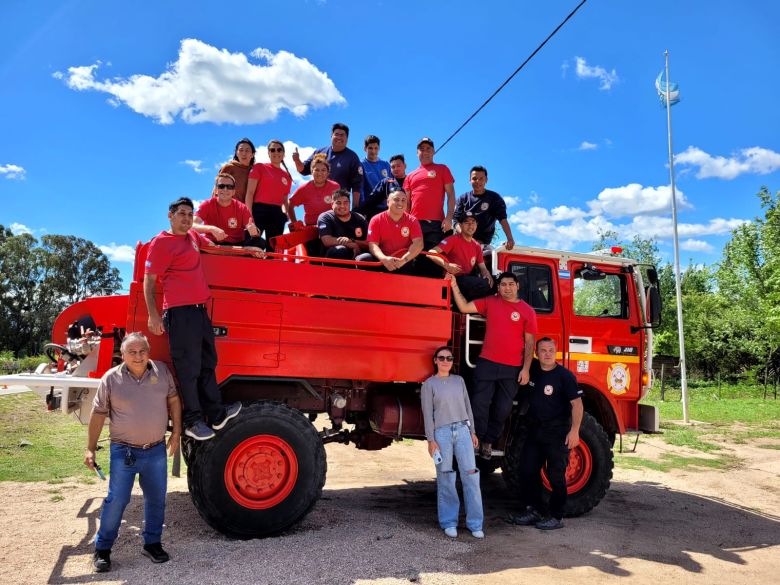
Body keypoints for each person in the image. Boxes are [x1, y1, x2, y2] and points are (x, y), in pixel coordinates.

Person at [143, 197, 242, 441]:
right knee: (189, 369)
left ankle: (216, 414)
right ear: (170, 215)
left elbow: (217, 247)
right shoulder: (161, 243)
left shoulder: (192, 238)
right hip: (179, 311)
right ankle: (192, 421)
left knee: (208, 362)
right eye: (181, 214)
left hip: (199, 310)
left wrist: (249, 250)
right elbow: (150, 280)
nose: (186, 218)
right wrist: (153, 315)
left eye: (190, 214)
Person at [84, 332, 182, 573]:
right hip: (123, 453)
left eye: (142, 351)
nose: (138, 356)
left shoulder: (161, 372)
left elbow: (174, 401)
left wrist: (176, 432)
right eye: (132, 352)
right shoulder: (111, 379)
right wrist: (90, 448)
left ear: (148, 352)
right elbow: (97, 415)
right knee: (117, 500)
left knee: (157, 499)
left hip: (155, 451)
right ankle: (103, 549)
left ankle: (152, 544)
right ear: (123, 355)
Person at [448, 271, 537, 459]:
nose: (507, 288)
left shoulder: (527, 311)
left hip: (512, 368)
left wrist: (526, 369)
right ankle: (477, 440)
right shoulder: (490, 302)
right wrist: (454, 284)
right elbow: (463, 307)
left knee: (503, 408)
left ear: (517, 286)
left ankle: (489, 441)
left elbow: (530, 343)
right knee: (479, 404)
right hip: (487, 363)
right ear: (498, 287)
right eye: (503, 284)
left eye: (511, 284)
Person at [509, 337, 583, 530]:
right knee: (527, 470)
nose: (547, 354)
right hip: (534, 430)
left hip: (557, 432)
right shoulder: (532, 371)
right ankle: (534, 510)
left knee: (555, 475)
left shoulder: (565, 376)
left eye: (551, 350)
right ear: (536, 353)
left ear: (556, 351)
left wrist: (575, 431)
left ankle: (556, 516)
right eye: (543, 350)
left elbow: (577, 404)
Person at [421, 346, 484, 539]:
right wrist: (431, 440)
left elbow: (468, 407)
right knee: (446, 477)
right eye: (441, 358)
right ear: (435, 360)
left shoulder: (459, 381)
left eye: (449, 358)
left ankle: (475, 523)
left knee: (471, 476)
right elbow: (427, 415)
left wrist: (472, 431)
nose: (445, 361)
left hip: (463, 431)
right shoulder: (429, 384)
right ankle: (449, 522)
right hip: (442, 433)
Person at [454, 165, 515, 270]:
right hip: (462, 242)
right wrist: (466, 237)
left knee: (492, 264)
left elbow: (503, 219)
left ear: (486, 180)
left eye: (481, 178)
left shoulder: (494, 198)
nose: (477, 181)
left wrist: (510, 239)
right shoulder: (463, 198)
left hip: (483, 244)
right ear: (470, 180)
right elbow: (455, 220)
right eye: (474, 178)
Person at [293, 122, 363, 208]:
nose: (339, 137)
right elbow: (303, 170)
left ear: (347, 138)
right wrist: (297, 160)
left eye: (342, 135)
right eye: (336, 134)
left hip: (340, 206)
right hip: (317, 205)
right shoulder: (319, 152)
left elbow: (357, 185)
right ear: (331, 136)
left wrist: (355, 208)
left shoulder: (352, 157)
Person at [403, 137, 455, 250]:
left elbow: (451, 195)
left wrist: (449, 217)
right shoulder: (410, 176)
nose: (425, 151)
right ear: (417, 153)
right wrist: (405, 222)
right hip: (414, 223)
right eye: (422, 149)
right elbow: (407, 203)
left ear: (433, 151)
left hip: (436, 224)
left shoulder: (443, 169)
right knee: (414, 259)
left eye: (428, 148)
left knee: (432, 259)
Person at [355, 190, 423, 275]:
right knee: (363, 259)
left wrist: (403, 260)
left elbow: (419, 244)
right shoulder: (376, 219)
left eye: (403, 200)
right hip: (382, 260)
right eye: (396, 199)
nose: (400, 203)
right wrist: (384, 259)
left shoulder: (412, 220)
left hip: (403, 262)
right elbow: (373, 245)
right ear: (388, 202)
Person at [193, 173, 267, 250]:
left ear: (233, 192)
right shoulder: (207, 204)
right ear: (216, 190)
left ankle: (229, 250)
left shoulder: (242, 208)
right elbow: (191, 225)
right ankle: (243, 251)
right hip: (212, 243)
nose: (225, 189)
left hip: (236, 244)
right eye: (221, 186)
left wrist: (254, 232)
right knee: (191, 237)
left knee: (260, 242)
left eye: (229, 187)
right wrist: (211, 229)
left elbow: (254, 232)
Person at [428, 214, 493, 301]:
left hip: (465, 281)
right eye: (467, 222)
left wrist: (488, 276)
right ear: (460, 225)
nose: (470, 226)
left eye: (473, 222)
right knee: (482, 284)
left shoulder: (477, 246)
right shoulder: (453, 239)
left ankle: (462, 306)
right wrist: (447, 265)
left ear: (477, 225)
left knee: (494, 285)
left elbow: (483, 268)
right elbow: (430, 253)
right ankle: (459, 304)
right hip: (451, 280)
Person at [245, 139, 293, 243]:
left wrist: (285, 214)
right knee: (252, 243)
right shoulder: (259, 167)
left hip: (277, 213)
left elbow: (285, 200)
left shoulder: (287, 176)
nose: (276, 152)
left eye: (279, 150)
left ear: (283, 154)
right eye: (272, 150)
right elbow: (250, 192)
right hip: (258, 210)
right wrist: (248, 215)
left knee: (273, 249)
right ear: (268, 153)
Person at [288, 154, 341, 227]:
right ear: (311, 172)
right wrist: (294, 223)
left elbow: (340, 206)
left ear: (328, 173)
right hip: (311, 227)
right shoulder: (304, 189)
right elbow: (290, 205)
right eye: (316, 170)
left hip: (331, 225)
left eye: (323, 170)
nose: (320, 173)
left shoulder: (335, 187)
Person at [318, 189, 369, 260]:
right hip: (332, 258)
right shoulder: (325, 217)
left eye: (345, 203)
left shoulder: (360, 218)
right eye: (338, 203)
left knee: (366, 257)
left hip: (357, 256)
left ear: (349, 204)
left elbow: (370, 243)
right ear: (332, 204)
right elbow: (327, 240)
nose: (342, 206)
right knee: (340, 250)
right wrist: (350, 244)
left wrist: (352, 241)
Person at [358, 153, 407, 221]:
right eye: (393, 167)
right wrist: (356, 212)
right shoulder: (386, 182)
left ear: (405, 166)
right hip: (390, 219)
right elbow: (372, 200)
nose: (396, 169)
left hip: (408, 219)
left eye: (398, 166)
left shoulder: (412, 180)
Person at [218, 138, 255, 203]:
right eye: (241, 150)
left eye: (247, 150)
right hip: (229, 208)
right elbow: (217, 190)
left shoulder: (255, 171)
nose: (244, 153)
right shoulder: (229, 167)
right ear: (236, 153)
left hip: (248, 210)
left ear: (252, 154)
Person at [359, 135, 391, 207]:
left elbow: (390, 186)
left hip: (385, 207)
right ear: (365, 148)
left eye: (376, 148)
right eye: (370, 148)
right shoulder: (360, 164)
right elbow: (359, 188)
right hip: (369, 206)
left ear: (379, 148)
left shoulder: (385, 164)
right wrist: (361, 207)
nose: (373, 151)